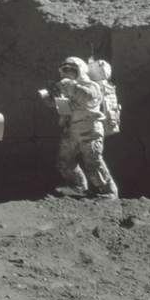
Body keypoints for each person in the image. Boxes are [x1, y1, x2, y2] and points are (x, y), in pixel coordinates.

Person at [40, 57, 119, 198]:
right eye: (65, 70)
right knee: (64, 162)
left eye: (71, 70)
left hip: (90, 128)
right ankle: (78, 185)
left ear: (80, 71)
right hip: (72, 129)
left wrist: (71, 86)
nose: (68, 73)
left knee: (93, 162)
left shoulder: (92, 86)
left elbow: (88, 96)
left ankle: (109, 192)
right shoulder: (66, 89)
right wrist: (50, 98)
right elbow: (63, 109)